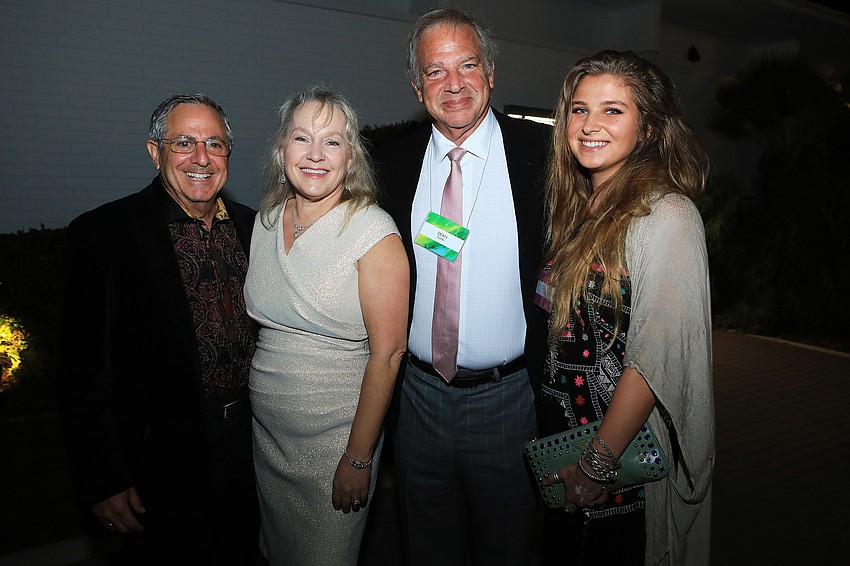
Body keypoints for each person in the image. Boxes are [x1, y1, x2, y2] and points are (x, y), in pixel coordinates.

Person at [372, 7, 550, 566]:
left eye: (467, 65)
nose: (453, 84)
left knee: (509, 547)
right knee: (426, 546)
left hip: (509, 403)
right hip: (417, 399)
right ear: (416, 84)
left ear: (491, 73)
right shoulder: (388, 163)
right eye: (435, 71)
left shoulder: (543, 159)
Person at [58, 94, 260, 565]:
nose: (201, 158)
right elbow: (81, 372)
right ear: (155, 152)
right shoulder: (103, 236)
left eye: (215, 143)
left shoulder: (257, 229)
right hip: (162, 466)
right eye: (184, 142)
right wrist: (104, 479)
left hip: (253, 451)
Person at [537, 50, 714, 565]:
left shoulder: (667, 216)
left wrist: (597, 466)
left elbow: (652, 360)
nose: (590, 125)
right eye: (578, 108)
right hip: (563, 449)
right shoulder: (577, 209)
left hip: (622, 468)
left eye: (613, 110)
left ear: (650, 127)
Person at [245, 86, 409, 566]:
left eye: (332, 141)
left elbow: (389, 354)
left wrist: (358, 458)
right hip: (269, 439)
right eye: (302, 138)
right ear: (281, 150)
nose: (315, 154)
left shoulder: (373, 232)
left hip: (337, 444)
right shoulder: (266, 221)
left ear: (351, 156)